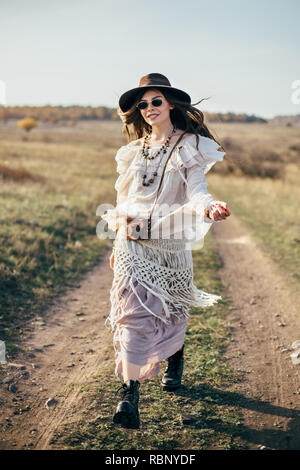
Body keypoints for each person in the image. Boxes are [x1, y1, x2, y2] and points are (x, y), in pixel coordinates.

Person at [101, 73, 231, 429]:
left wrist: (209, 207)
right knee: (131, 314)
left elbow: (197, 191)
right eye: (142, 104)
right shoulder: (132, 152)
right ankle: (129, 395)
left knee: (170, 307)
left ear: (171, 103)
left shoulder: (189, 145)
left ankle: (174, 359)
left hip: (168, 244)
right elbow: (124, 201)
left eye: (155, 101)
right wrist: (117, 243)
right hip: (131, 242)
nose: (148, 109)